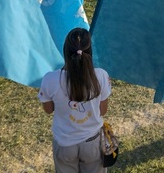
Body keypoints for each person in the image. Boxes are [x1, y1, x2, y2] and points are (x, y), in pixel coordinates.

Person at [38, 28, 111, 173]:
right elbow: (102, 111)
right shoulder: (101, 76)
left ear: (65, 51)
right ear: (90, 52)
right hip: (93, 142)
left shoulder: (50, 79)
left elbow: (48, 110)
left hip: (64, 143)